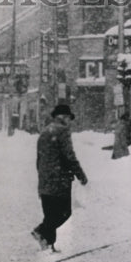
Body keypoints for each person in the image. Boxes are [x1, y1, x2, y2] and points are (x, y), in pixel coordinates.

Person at [33, 104, 88, 253]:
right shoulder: (62, 131)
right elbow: (69, 156)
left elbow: (39, 158)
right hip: (59, 178)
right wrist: (80, 174)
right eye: (69, 118)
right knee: (64, 212)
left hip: (45, 177)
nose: (70, 122)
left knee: (50, 211)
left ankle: (48, 244)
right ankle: (42, 232)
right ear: (63, 117)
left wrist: (42, 174)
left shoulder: (45, 131)